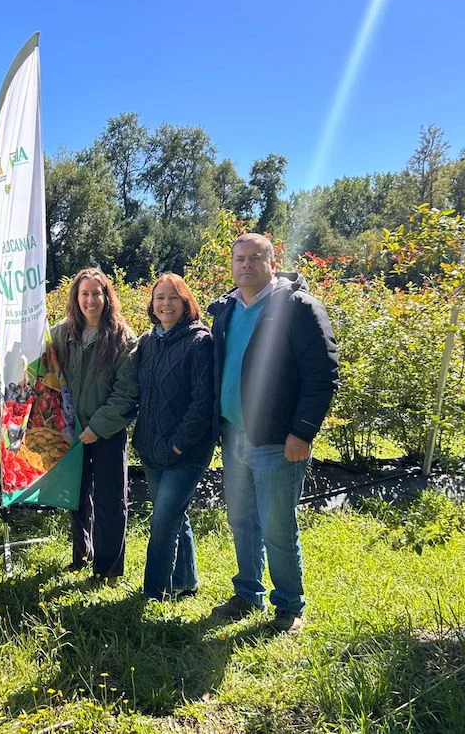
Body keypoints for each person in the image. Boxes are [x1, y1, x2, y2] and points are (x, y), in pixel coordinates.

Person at [208, 232, 339, 633]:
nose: (245, 265)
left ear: (272, 261)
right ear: (231, 265)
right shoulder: (227, 309)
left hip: (277, 440)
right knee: (241, 520)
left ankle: (289, 605)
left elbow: (323, 375)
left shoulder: (297, 308)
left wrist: (301, 432)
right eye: (239, 258)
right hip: (233, 434)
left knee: (277, 524)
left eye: (254, 258)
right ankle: (248, 593)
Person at [51, 268, 138, 586]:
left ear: (106, 297)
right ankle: (81, 554)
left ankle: (108, 568)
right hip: (72, 432)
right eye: (84, 294)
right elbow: (46, 377)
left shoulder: (121, 338)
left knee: (109, 500)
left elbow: (126, 393)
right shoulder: (62, 334)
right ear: (76, 297)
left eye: (96, 293)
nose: (90, 300)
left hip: (107, 432)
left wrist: (98, 427)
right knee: (76, 496)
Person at [132, 273, 214, 601]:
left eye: (173, 297)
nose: (165, 304)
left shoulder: (200, 342)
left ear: (185, 303)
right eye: (160, 297)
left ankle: (154, 593)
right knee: (174, 514)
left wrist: (179, 443)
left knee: (164, 520)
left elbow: (203, 402)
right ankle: (187, 581)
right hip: (152, 448)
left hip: (186, 450)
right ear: (152, 304)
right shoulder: (148, 341)